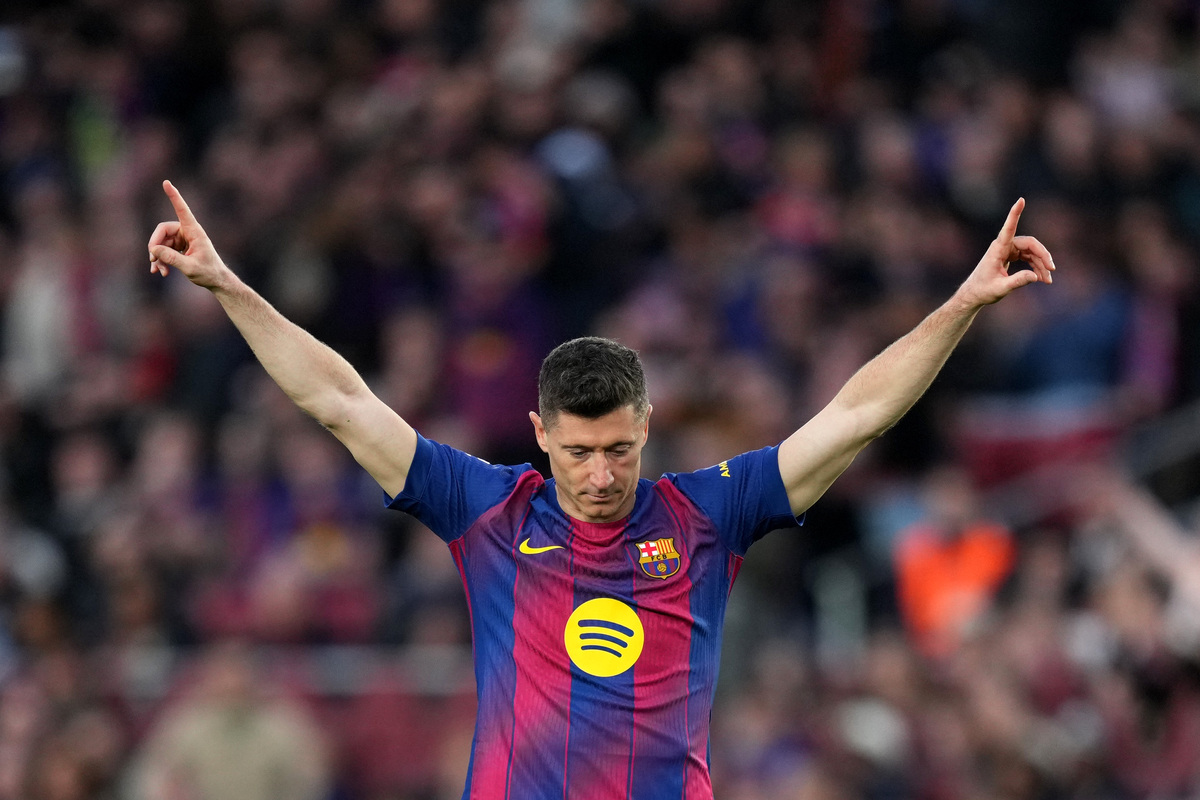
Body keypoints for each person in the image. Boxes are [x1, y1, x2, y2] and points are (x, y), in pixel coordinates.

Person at [147, 179, 1054, 799]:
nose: (601, 474)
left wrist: (961, 304)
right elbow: (342, 401)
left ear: (646, 427)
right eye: (578, 452)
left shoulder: (709, 512)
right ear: (541, 436)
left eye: (619, 448)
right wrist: (227, 286)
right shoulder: (486, 509)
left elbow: (855, 416)